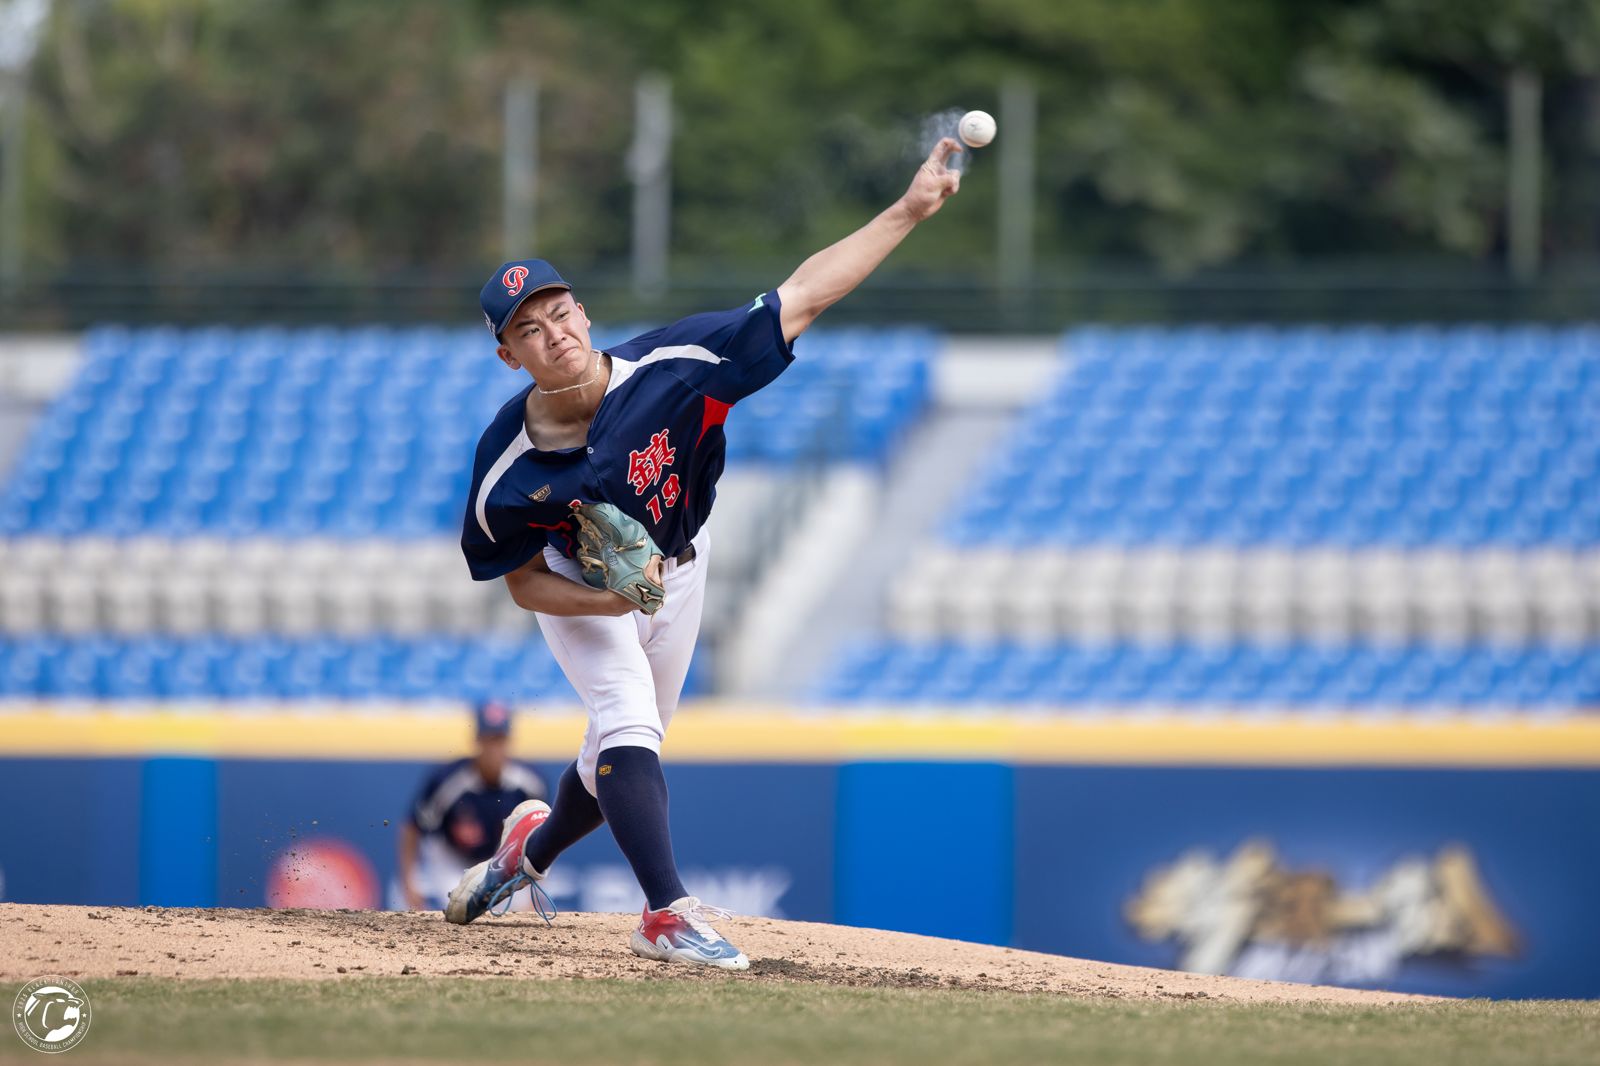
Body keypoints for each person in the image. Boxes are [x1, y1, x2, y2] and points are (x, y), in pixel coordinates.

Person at [445, 138, 966, 968]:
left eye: (559, 312)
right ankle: (665, 913)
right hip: (584, 587)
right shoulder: (504, 468)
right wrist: (606, 601)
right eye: (527, 330)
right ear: (510, 356)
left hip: (684, 564)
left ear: (584, 313)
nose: (553, 334)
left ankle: (526, 854)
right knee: (627, 722)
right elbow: (522, 582)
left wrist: (906, 211)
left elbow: (803, 295)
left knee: (617, 754)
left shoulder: (676, 367)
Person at [394, 700, 546, 912]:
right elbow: (413, 828)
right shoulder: (449, 780)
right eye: (488, 740)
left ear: (509, 741)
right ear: (476, 741)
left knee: (520, 914)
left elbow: (545, 836)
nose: (494, 749)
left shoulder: (529, 782)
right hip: (453, 859)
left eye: (499, 740)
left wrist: (535, 890)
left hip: (503, 862)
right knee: (457, 911)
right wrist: (409, 881)